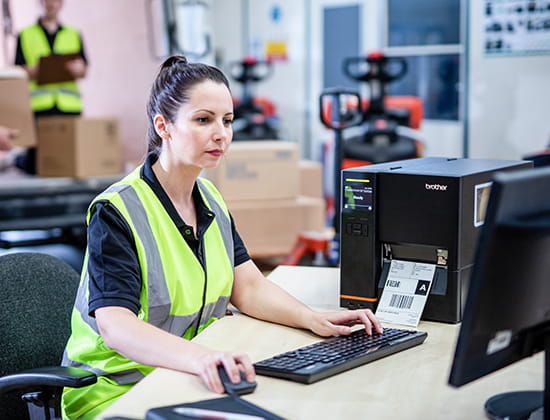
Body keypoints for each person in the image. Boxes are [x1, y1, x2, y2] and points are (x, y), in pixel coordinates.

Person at [61, 55, 383, 419]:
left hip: (182, 377)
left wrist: (313, 318)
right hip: (113, 392)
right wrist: (203, 358)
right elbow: (116, 326)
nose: (221, 133)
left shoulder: (209, 198)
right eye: (203, 120)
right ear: (163, 126)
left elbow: (248, 287)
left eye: (227, 121)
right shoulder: (118, 210)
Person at [14, 0, 88, 173]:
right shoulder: (25, 34)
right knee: (37, 164)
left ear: (62, 4)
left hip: (69, 106)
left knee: (68, 158)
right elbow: (19, 70)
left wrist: (76, 69)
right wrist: (46, 67)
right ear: (40, 3)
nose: (51, 3)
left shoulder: (73, 33)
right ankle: (21, 162)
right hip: (40, 107)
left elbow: (83, 69)